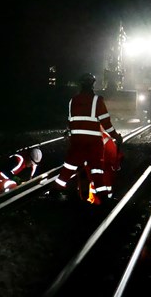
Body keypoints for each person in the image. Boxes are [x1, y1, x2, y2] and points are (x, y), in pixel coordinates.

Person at [53, 72, 123, 205]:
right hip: (93, 143)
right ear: (93, 84)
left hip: (77, 142)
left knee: (69, 167)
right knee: (97, 169)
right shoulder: (97, 100)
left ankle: (56, 190)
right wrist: (116, 137)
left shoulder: (73, 100)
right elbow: (106, 122)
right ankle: (103, 196)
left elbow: (70, 121)